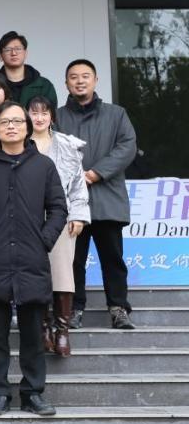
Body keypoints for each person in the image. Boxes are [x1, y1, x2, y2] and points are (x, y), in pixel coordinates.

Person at [0, 102, 67, 417]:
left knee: (33, 332)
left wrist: (44, 239)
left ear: (27, 127)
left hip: (31, 258)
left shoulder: (43, 166)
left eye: (17, 121)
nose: (11, 126)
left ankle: (32, 393)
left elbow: (58, 208)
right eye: (4, 122)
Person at [57, 59, 138, 330]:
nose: (80, 81)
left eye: (85, 76)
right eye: (74, 77)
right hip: (70, 203)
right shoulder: (57, 117)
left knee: (112, 259)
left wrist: (95, 173)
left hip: (107, 198)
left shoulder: (117, 114)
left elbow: (127, 147)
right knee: (73, 260)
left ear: (95, 80)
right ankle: (74, 309)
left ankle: (118, 308)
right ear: (66, 83)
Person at [28, 96, 90, 356]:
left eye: (44, 113)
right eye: (34, 112)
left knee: (63, 272)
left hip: (61, 215)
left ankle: (62, 331)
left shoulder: (66, 144)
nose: (39, 118)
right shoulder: (19, 142)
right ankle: (43, 328)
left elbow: (78, 184)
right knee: (36, 273)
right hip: (28, 217)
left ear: (52, 116)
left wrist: (78, 215)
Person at [0, 31, 58, 107]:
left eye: (18, 49)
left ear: (25, 53)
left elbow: (51, 113)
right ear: (0, 56)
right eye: (8, 50)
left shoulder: (44, 85)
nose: (14, 53)